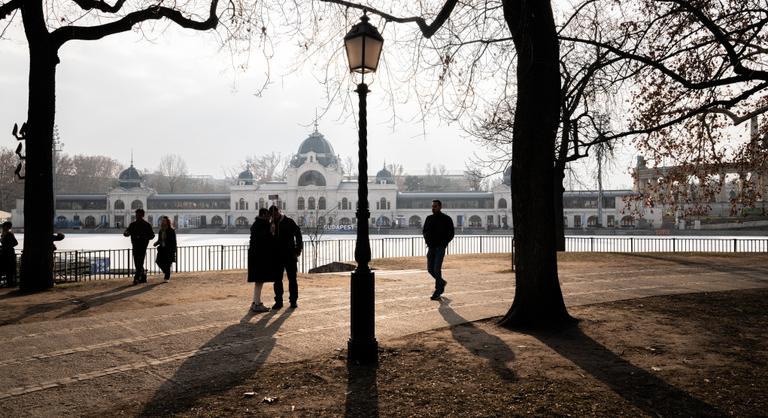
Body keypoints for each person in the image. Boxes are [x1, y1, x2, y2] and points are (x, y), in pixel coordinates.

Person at [269, 205, 303, 310]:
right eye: (272, 215)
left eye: (276, 214)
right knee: (277, 279)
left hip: (290, 255)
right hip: (277, 256)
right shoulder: (271, 224)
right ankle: (278, 301)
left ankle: (293, 301)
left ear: (279, 212)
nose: (274, 216)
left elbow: (298, 234)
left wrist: (298, 249)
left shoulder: (289, 221)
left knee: (292, 279)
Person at [247, 208, 279, 313]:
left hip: (255, 256)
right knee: (259, 281)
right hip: (260, 257)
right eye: (269, 215)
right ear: (264, 214)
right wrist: (272, 232)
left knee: (258, 281)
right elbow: (266, 240)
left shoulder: (256, 224)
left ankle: (255, 302)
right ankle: (257, 304)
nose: (270, 217)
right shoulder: (263, 225)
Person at [422, 199, 455, 300]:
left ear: (440, 207)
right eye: (432, 206)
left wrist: (444, 244)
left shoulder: (447, 219)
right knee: (430, 269)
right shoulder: (429, 218)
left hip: (440, 248)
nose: (433, 208)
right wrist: (428, 241)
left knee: (436, 269)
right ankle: (442, 282)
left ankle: (438, 290)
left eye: (435, 206)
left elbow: (451, 233)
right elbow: (424, 231)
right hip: (431, 247)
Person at [124, 208, 155, 284]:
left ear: (143, 215)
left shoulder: (147, 225)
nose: (137, 216)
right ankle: (143, 276)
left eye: (139, 215)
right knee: (137, 262)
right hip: (135, 245)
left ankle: (136, 278)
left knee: (139, 262)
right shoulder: (133, 224)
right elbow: (127, 232)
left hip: (143, 246)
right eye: (137, 215)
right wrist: (126, 233)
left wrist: (143, 238)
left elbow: (152, 235)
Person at [153, 216, 177, 282]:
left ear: (167, 222)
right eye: (162, 221)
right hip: (162, 249)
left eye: (164, 221)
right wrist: (156, 243)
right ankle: (167, 272)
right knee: (158, 261)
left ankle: (167, 277)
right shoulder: (161, 230)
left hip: (169, 249)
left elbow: (174, 241)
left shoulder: (171, 230)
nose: (163, 222)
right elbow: (159, 240)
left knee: (167, 263)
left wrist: (174, 250)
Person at [0, 221, 18, 288]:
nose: (2, 227)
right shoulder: (3, 234)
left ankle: (10, 283)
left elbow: (16, 243)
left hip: (9, 254)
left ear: (7, 227)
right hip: (4, 253)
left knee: (9, 268)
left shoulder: (9, 234)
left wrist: (7, 246)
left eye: (3, 226)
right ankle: (8, 283)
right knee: (6, 268)